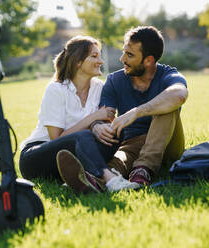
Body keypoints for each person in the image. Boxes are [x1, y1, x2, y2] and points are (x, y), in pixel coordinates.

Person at [56, 26, 188, 191]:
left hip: (168, 144)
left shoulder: (168, 75)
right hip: (132, 144)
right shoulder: (115, 80)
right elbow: (105, 113)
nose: (122, 59)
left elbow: (179, 95)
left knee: (167, 104)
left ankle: (143, 170)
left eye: (130, 55)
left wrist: (136, 112)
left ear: (148, 60)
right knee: (117, 161)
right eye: (124, 52)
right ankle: (90, 179)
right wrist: (97, 126)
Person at [19, 35, 139, 193]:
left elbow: (107, 119)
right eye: (94, 56)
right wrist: (94, 118)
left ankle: (81, 177)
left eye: (100, 56)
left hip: (75, 155)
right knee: (83, 136)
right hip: (37, 158)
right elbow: (58, 139)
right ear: (78, 62)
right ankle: (109, 180)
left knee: (116, 131)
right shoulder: (56, 89)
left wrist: (104, 126)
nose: (100, 61)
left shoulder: (99, 88)